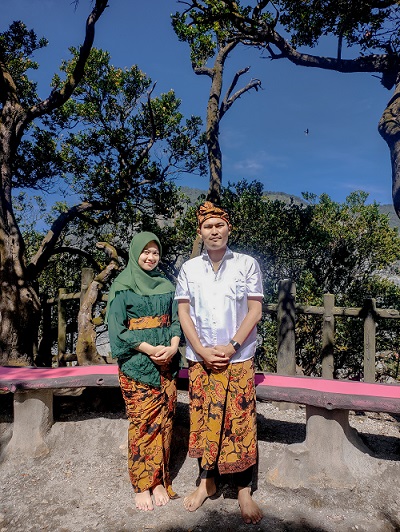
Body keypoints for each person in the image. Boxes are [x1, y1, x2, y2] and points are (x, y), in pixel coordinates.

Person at [174, 201, 264, 525]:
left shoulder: (247, 265)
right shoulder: (189, 269)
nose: (214, 231)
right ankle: (207, 481)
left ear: (229, 228)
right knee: (204, 419)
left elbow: (255, 310)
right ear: (200, 232)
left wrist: (232, 345)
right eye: (207, 226)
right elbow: (184, 312)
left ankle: (243, 489)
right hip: (201, 359)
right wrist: (200, 349)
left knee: (239, 422)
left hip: (238, 357)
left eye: (219, 225)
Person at [106, 232, 181, 512]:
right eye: (145, 252)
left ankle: (159, 480)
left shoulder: (166, 285)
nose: (150, 257)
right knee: (142, 424)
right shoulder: (122, 286)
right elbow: (118, 330)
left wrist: (173, 346)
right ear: (135, 253)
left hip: (167, 363)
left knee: (165, 421)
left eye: (155, 252)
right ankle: (141, 484)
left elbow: (176, 321)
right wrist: (149, 349)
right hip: (137, 365)